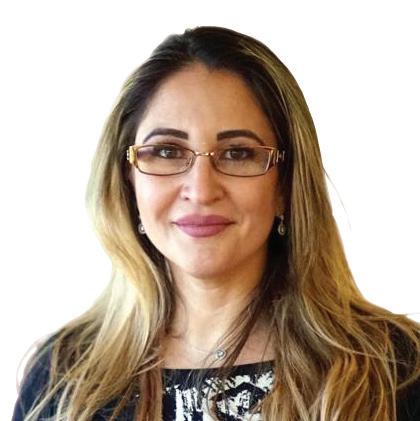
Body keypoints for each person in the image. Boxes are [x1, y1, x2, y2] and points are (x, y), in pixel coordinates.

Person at [13, 26, 420, 421]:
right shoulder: (62, 376)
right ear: (127, 181)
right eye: (167, 151)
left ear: (285, 185)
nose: (201, 190)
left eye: (238, 153)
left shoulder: (396, 369)